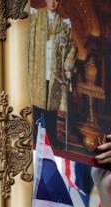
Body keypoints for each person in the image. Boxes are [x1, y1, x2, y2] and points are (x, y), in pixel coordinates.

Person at [28, 0, 75, 147]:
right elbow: (27, 40)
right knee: (38, 105)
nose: (53, 3)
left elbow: (71, 48)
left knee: (52, 107)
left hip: (55, 72)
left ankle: (52, 138)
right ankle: (36, 135)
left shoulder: (64, 24)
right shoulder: (35, 16)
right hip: (38, 69)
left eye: (57, 0)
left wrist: (68, 66)